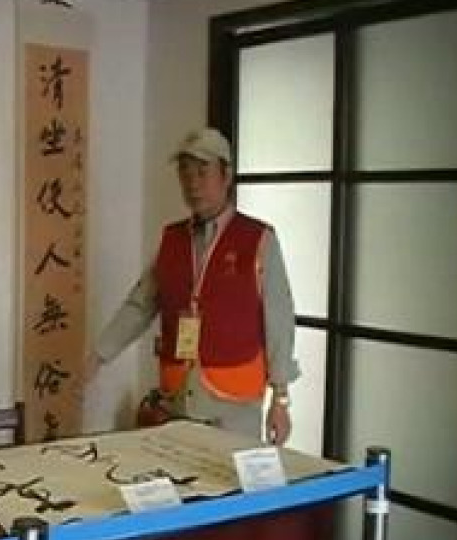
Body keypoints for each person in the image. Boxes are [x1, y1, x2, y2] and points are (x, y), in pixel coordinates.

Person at [86, 126, 299, 445]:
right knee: (179, 473)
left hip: (235, 401)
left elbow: (279, 319)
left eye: (202, 172)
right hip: (179, 398)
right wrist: (99, 354)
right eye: (185, 174)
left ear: (226, 176)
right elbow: (140, 304)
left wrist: (280, 400)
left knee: (230, 476)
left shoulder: (258, 239)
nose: (193, 184)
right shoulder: (172, 239)